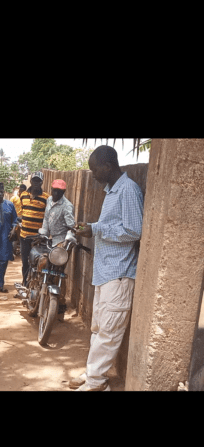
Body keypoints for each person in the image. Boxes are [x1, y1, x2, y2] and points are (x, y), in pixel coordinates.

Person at [70, 146, 144, 391]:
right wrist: (91, 226)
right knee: (99, 328)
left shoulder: (128, 190)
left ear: (108, 166)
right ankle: (94, 373)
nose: (92, 174)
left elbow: (134, 231)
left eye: (94, 169)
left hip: (120, 274)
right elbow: (111, 226)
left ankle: (97, 383)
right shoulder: (112, 191)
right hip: (106, 272)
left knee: (109, 331)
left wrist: (97, 229)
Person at [33, 179, 76, 320]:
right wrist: (43, 234)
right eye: (54, 190)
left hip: (61, 242)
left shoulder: (67, 206)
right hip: (50, 239)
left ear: (63, 192)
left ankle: (60, 307)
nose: (56, 193)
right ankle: (38, 290)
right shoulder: (49, 200)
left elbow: (71, 227)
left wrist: (67, 242)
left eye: (59, 191)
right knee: (43, 263)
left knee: (58, 273)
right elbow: (46, 219)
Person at [19, 174, 50, 286]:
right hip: (24, 236)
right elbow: (23, 211)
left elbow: (47, 216)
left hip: (38, 238)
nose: (36, 183)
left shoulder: (46, 197)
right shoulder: (23, 195)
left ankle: (36, 285)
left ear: (42, 182)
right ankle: (25, 284)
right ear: (31, 181)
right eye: (34, 180)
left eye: (39, 181)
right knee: (25, 262)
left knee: (38, 262)